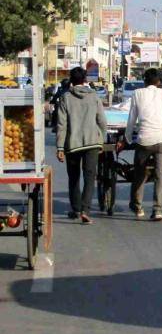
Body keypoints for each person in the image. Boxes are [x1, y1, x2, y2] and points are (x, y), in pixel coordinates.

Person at [55, 67, 107, 224]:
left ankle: (76, 209)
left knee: (74, 177)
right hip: (92, 142)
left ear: (71, 80)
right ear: (85, 80)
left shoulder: (65, 98)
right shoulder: (94, 97)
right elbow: (102, 121)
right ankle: (85, 210)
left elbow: (61, 124)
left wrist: (60, 147)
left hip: (73, 144)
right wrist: (101, 139)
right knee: (90, 177)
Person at [126, 68, 162, 221]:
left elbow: (131, 119)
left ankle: (137, 206)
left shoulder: (137, 93)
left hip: (144, 141)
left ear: (144, 81)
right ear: (159, 82)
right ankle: (158, 210)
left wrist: (128, 138)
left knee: (139, 173)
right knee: (161, 174)